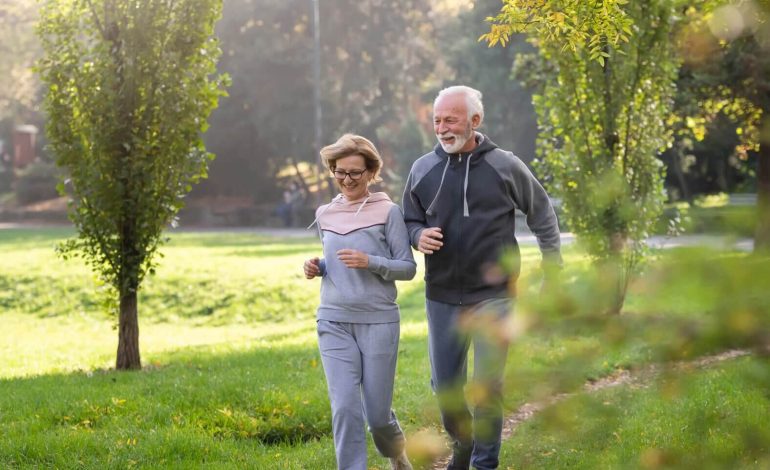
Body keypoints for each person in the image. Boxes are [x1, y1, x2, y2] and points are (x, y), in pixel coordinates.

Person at [402, 85, 562, 470]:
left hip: (495, 295)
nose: (442, 128)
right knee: (446, 391)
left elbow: (542, 214)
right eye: (437, 120)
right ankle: (464, 443)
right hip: (441, 296)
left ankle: (483, 464)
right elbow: (408, 217)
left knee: (487, 388)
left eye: (451, 120)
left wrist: (552, 269)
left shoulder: (504, 165)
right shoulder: (423, 168)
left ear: (475, 121)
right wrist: (416, 235)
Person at [304, 133, 416, 470]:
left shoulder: (388, 211)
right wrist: (317, 266)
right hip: (334, 319)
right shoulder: (325, 213)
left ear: (370, 172)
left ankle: (396, 453)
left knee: (378, 415)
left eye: (354, 173)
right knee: (345, 408)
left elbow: (408, 268)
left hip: (379, 321)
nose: (346, 180)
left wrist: (371, 262)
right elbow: (335, 262)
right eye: (339, 172)